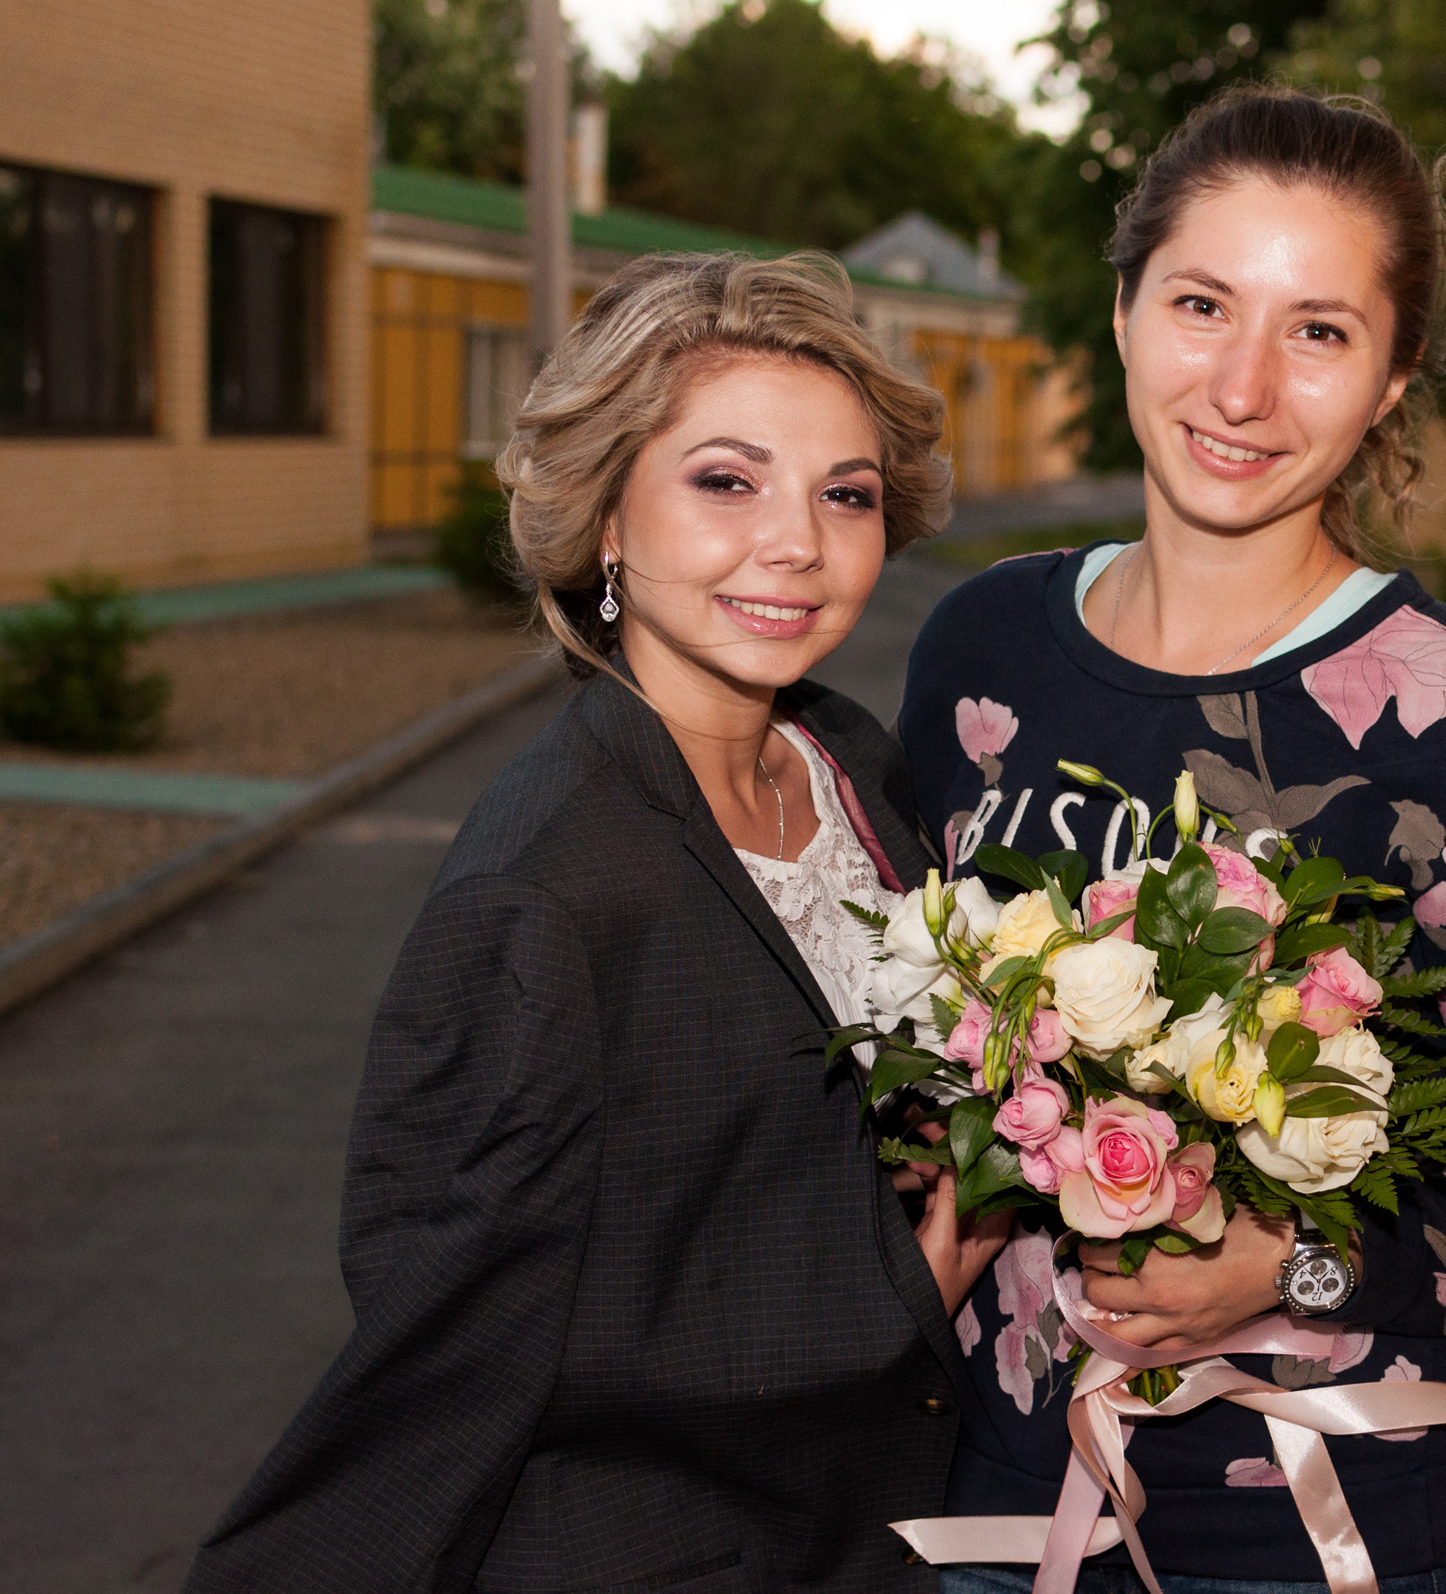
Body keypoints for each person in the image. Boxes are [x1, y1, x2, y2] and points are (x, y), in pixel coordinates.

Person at [896, 86, 1446, 1593]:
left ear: (1392, 380)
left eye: (1317, 330)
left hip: (1327, 1527)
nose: (1240, 385)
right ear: (1120, 313)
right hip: (1000, 1500)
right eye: (1202, 303)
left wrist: (1286, 1266)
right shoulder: (983, 650)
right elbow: (908, 1046)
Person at [184, 252, 1008, 1594]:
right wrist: (901, 1287)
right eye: (726, 479)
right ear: (609, 520)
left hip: (866, 1523)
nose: (796, 541)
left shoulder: (848, 761)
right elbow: (462, 1346)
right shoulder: (543, 891)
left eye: (844, 494)